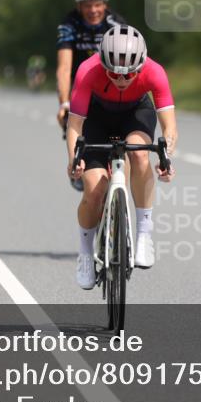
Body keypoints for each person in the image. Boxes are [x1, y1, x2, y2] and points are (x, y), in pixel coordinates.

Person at [67, 25, 177, 290]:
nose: (120, 80)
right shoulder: (87, 71)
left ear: (141, 66)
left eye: (129, 74)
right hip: (96, 118)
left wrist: (166, 156)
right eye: (113, 73)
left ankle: (144, 235)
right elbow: (75, 125)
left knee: (140, 156)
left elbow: (169, 126)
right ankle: (85, 253)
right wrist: (74, 158)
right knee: (94, 190)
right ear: (102, 62)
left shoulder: (155, 72)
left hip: (135, 113)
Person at [56, 0, 127, 189]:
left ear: (105, 5)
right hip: (80, 84)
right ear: (79, 6)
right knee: (75, 122)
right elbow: (64, 67)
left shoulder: (117, 24)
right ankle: (79, 159)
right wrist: (64, 103)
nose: (93, 10)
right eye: (87, 5)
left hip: (111, 84)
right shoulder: (69, 25)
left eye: (97, 4)